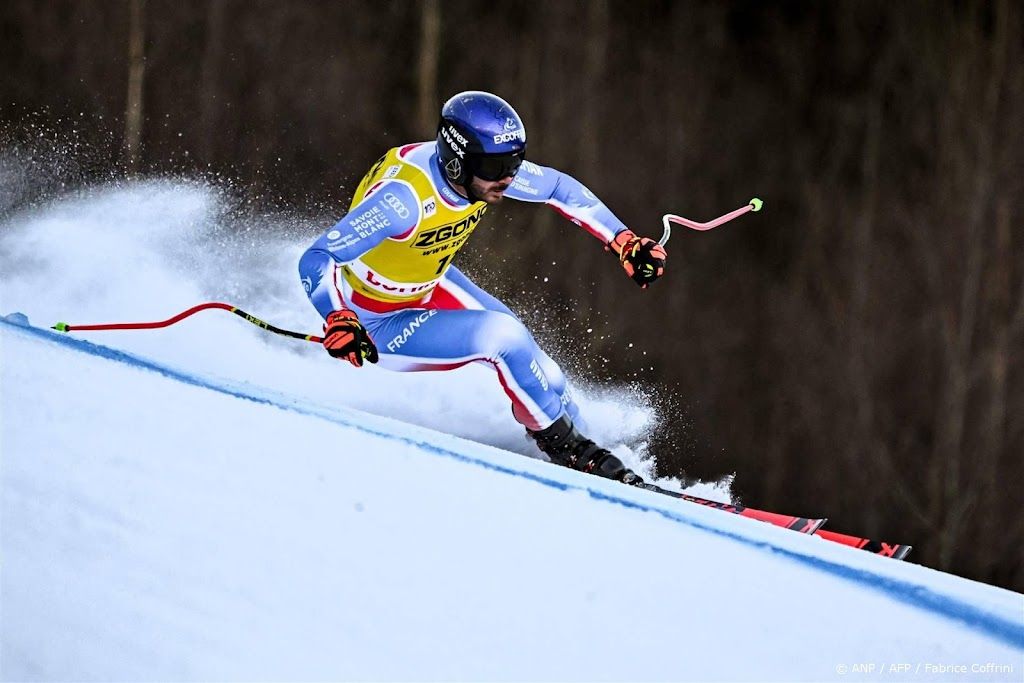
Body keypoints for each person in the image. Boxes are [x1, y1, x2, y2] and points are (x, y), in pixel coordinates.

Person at [299, 91, 667, 484]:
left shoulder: (482, 172)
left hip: (428, 283)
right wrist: (339, 318)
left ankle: (597, 450)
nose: (508, 178)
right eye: (497, 167)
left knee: (544, 370)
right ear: (457, 162)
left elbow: (559, 188)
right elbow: (317, 257)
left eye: (514, 163)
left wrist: (623, 240)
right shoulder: (402, 201)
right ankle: (571, 451)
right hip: (376, 321)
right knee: (503, 339)